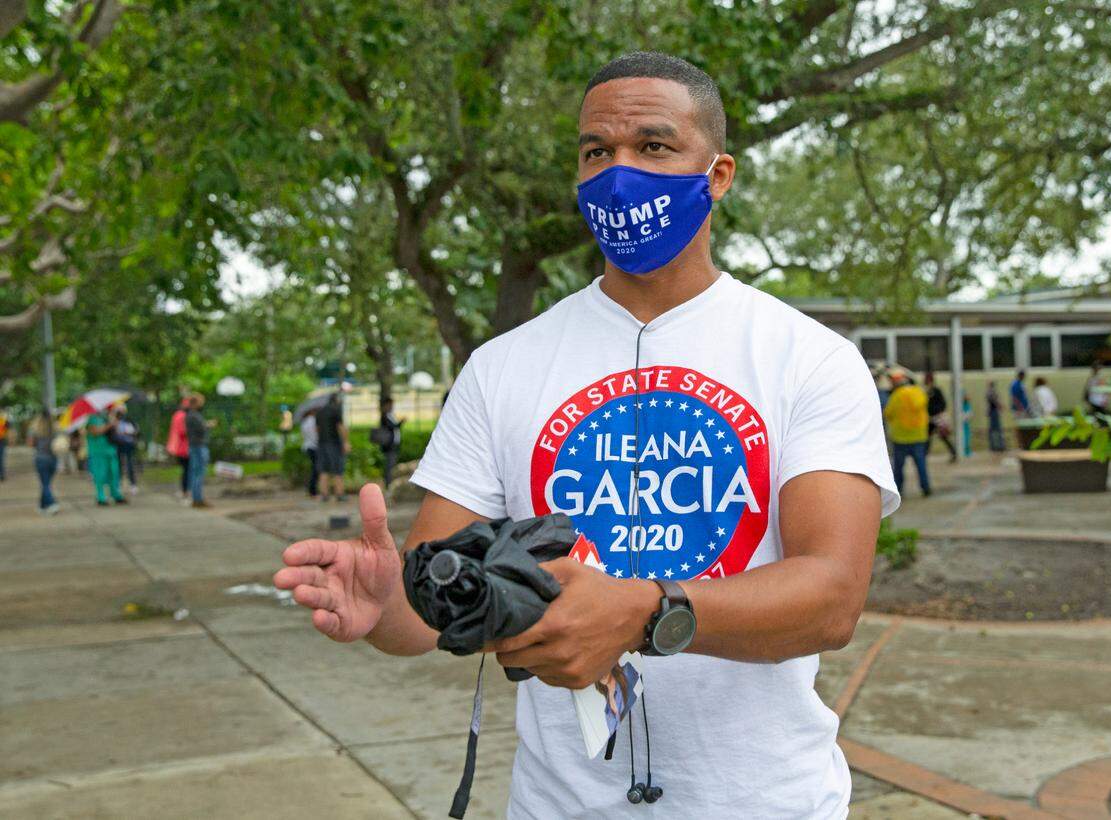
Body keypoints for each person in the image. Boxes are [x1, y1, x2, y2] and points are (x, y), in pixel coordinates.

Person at [275, 52, 898, 819]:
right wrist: (386, 603)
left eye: (655, 146)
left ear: (720, 174)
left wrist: (642, 610)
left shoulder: (808, 358)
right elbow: (436, 605)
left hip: (767, 801)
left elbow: (831, 599)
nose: (619, 171)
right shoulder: (502, 368)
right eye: (596, 152)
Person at [884, 371, 931, 497]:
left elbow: (888, 414)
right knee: (921, 464)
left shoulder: (896, 396)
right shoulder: (919, 393)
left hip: (901, 438)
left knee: (899, 467)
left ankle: (898, 490)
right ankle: (926, 488)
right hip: (919, 436)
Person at [86, 406, 126, 506]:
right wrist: (109, 425)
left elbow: (115, 431)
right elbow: (95, 432)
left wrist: (114, 422)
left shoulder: (107, 417)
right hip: (98, 452)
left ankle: (115, 494)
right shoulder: (92, 419)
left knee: (114, 473)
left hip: (110, 450)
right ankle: (101, 496)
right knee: (100, 475)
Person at [315, 393, 350, 503]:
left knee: (323, 470)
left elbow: (317, 429)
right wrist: (345, 442)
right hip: (334, 443)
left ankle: (324, 495)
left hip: (321, 444)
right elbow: (341, 427)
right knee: (337, 469)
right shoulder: (336, 410)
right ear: (337, 400)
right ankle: (339, 494)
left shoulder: (319, 412)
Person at [185, 392, 215, 509]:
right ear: (196, 403)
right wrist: (208, 425)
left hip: (195, 446)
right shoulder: (194, 415)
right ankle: (197, 499)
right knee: (199, 472)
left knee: (195, 472)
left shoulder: (191, 415)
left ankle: (197, 498)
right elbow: (201, 429)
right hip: (198, 446)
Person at [29, 408, 61, 515]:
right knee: (46, 483)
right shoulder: (56, 428)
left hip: (41, 459)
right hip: (53, 459)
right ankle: (42, 506)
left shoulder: (35, 429)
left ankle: (51, 504)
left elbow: (30, 444)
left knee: (45, 484)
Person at [923, 371, 956, 462]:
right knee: (927, 437)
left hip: (937, 418)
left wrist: (935, 410)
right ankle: (924, 455)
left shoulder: (936, 391)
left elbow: (943, 404)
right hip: (930, 418)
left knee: (943, 436)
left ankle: (954, 452)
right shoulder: (926, 391)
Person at [166, 397, 191, 500]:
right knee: (187, 470)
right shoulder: (182, 416)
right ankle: (185, 491)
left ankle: (185, 490)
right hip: (184, 448)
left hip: (179, 447)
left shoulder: (177, 415)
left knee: (186, 470)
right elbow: (182, 431)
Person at [112, 406, 141, 495]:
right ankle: (118, 485)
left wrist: (130, 433)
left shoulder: (130, 421)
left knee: (130, 465)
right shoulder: (114, 422)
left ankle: (133, 485)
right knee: (119, 466)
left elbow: (136, 431)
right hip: (118, 445)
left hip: (129, 445)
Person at [377, 397, 403, 487]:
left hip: (394, 444)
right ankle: (389, 483)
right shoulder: (384, 416)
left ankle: (390, 482)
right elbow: (393, 427)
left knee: (392, 464)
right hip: (389, 445)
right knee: (390, 465)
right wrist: (401, 422)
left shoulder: (390, 415)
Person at [300, 408, 319, 497]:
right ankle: (312, 489)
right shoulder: (313, 421)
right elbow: (315, 435)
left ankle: (312, 489)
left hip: (307, 446)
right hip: (314, 446)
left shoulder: (304, 422)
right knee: (316, 468)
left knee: (314, 468)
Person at [986, 381, 1005, 452]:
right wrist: (1000, 406)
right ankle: (998, 446)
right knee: (996, 430)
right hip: (993, 412)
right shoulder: (991, 392)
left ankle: (995, 446)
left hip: (993, 412)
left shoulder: (990, 392)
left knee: (994, 430)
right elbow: (995, 401)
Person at [961, 393, 973, 458]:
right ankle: (965, 452)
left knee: (967, 437)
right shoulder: (961, 405)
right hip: (963, 423)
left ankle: (967, 451)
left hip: (966, 423)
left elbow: (970, 413)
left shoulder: (967, 405)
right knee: (964, 437)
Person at [0, 409, 8, 482]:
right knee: (1, 458)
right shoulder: (3, 420)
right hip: (2, 440)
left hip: (2, 440)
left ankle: (2, 474)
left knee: (1, 458)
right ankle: (2, 475)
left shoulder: (3, 420)